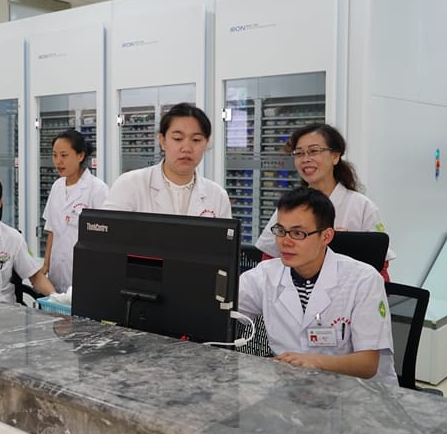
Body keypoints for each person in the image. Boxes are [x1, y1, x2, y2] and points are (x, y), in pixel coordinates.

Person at [239, 186, 397, 386]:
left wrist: (314, 362)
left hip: (356, 392)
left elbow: (367, 364)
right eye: (281, 231)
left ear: (326, 236)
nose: (285, 242)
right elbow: (221, 309)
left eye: (298, 233)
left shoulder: (364, 280)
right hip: (291, 387)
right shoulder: (265, 274)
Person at [254, 123, 394, 279]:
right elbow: (268, 259)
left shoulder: (362, 207)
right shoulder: (291, 205)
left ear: (335, 156)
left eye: (314, 151)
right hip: (296, 288)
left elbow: (381, 267)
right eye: (299, 153)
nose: (306, 159)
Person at [103, 102, 231, 218]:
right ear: (162, 141)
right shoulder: (130, 185)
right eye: (177, 138)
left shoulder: (217, 196)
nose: (187, 148)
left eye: (196, 140)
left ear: (206, 143)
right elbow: (109, 233)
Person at [41, 129, 109, 293]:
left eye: (64, 155)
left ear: (80, 156)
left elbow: (106, 237)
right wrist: (46, 265)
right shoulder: (57, 187)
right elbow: (51, 230)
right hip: (56, 273)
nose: (58, 161)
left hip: (86, 272)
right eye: (55, 155)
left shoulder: (97, 189)